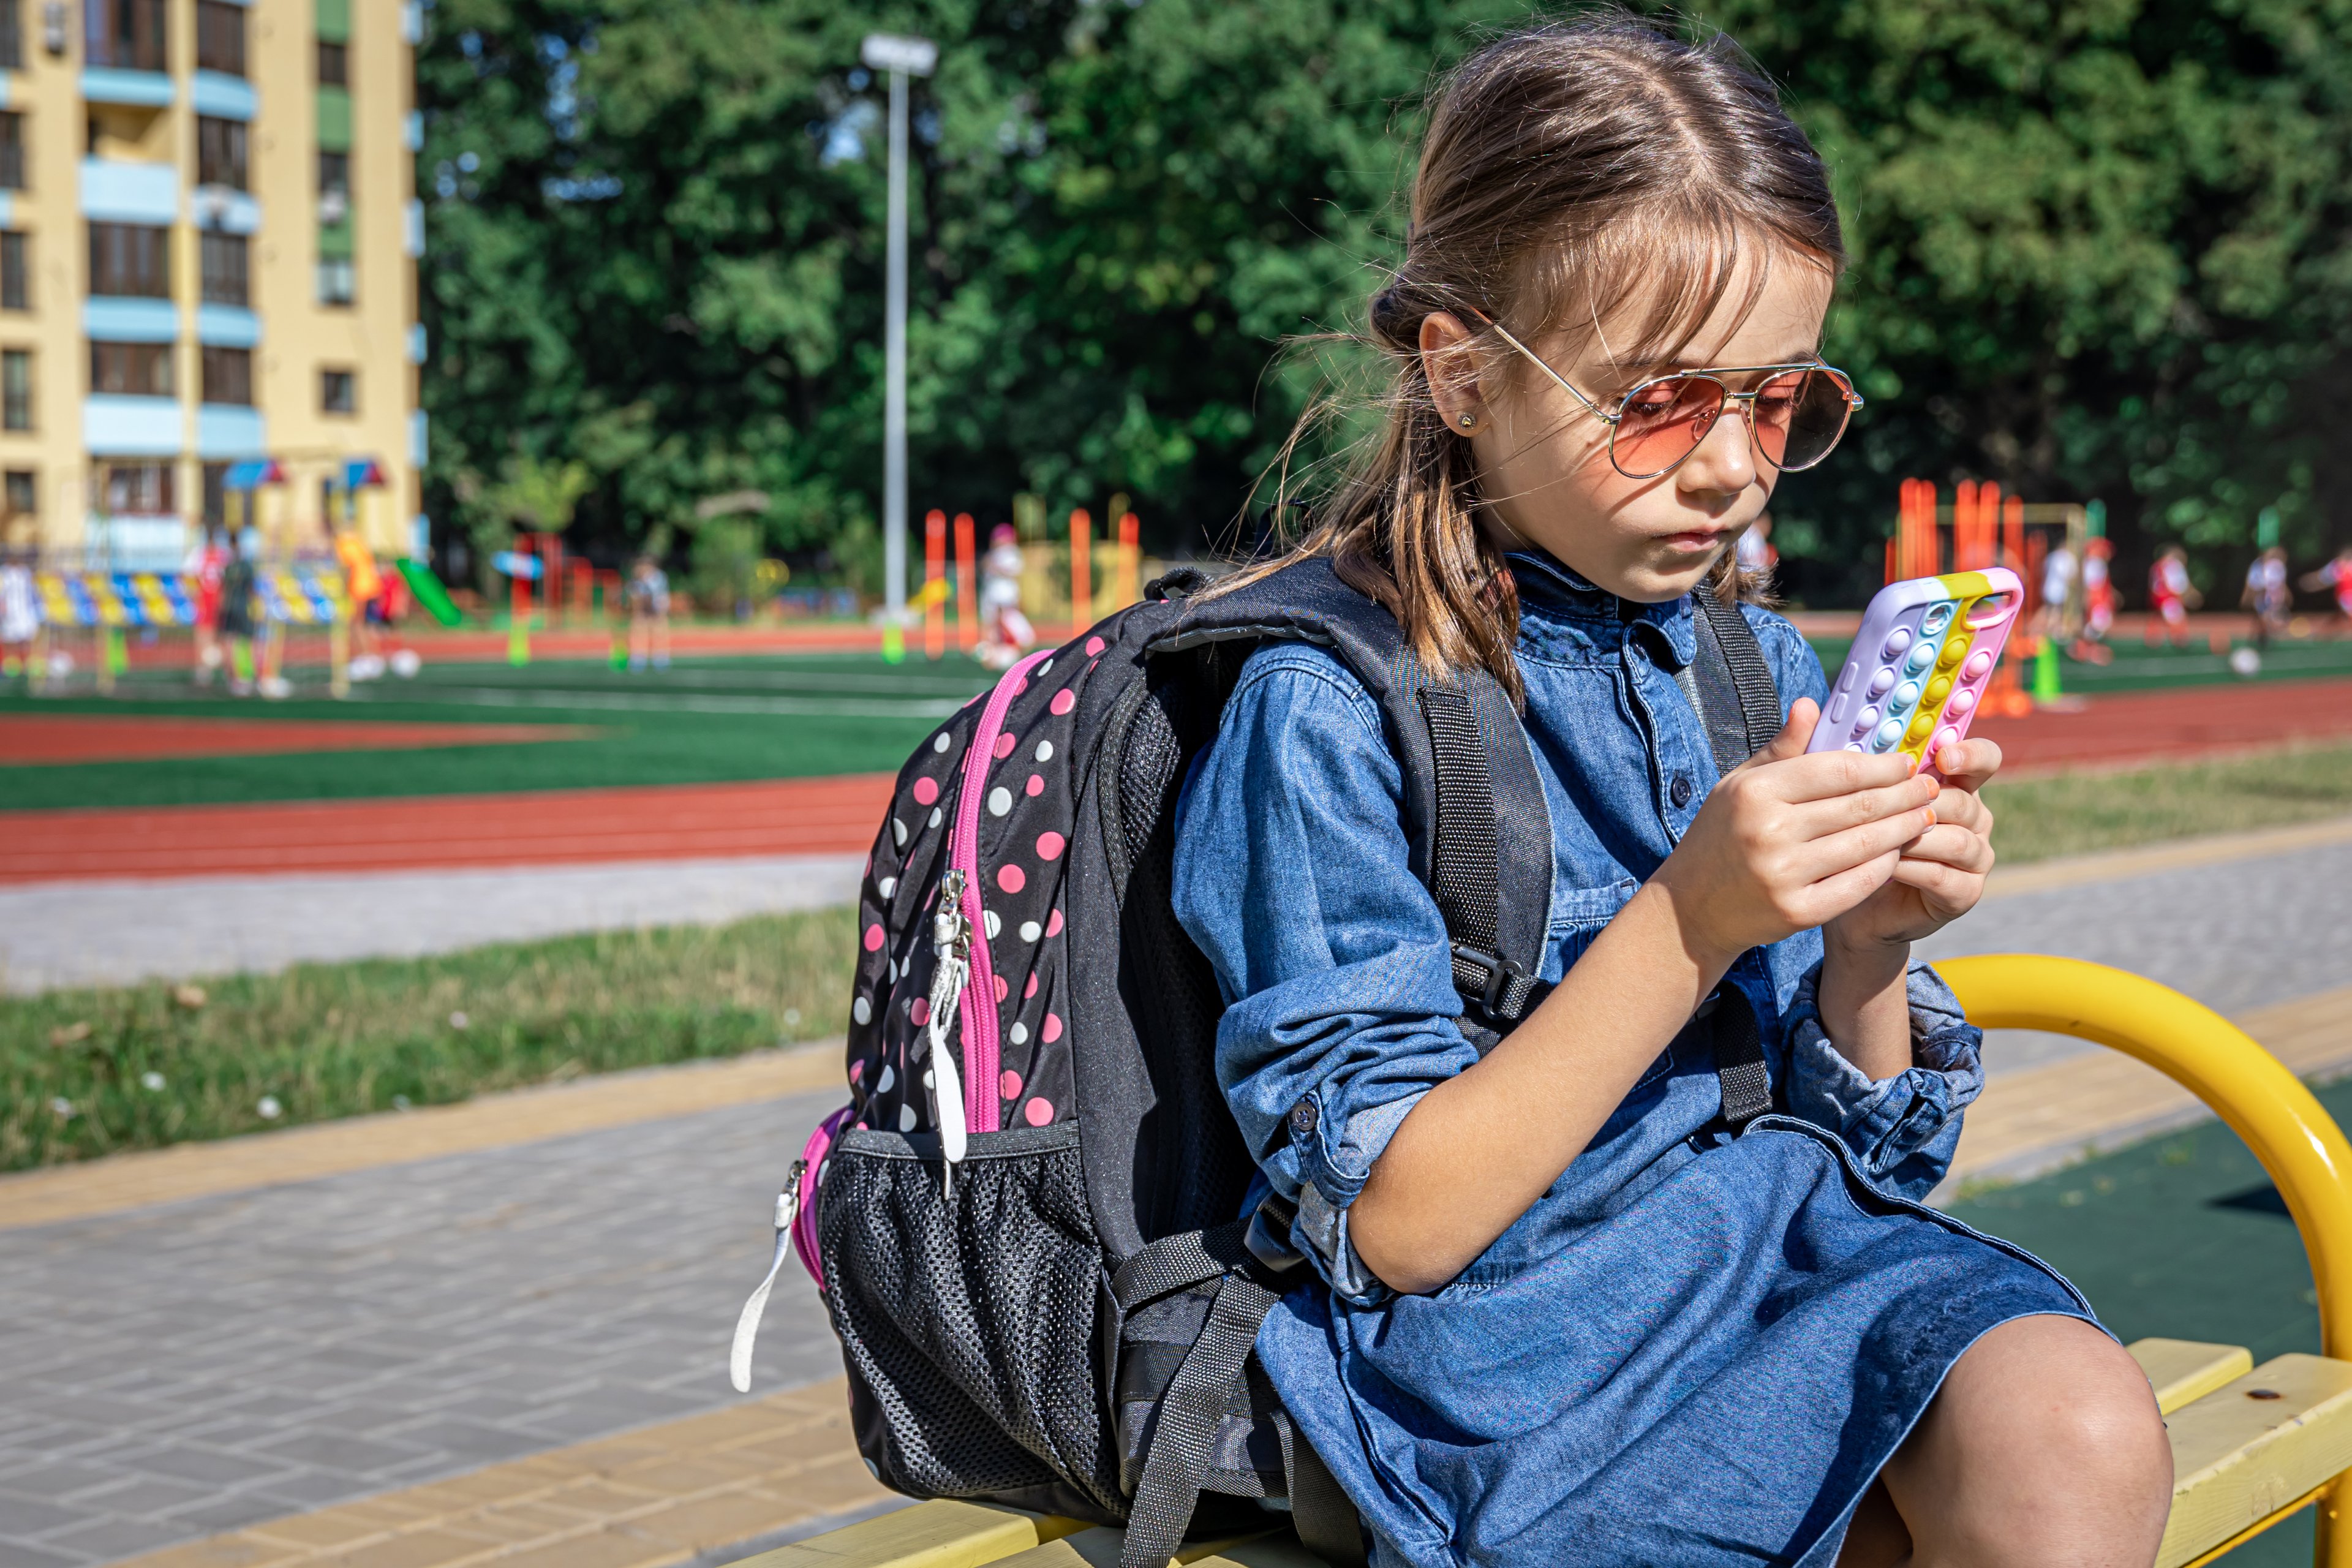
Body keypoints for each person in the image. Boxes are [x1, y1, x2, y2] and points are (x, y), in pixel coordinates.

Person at [1170, 21, 2170, 1568]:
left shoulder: (1744, 658)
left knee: (2074, 1425)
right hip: (1513, 1368)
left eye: (1775, 401)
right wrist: (1693, 915)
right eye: (1659, 401)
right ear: (1460, 372)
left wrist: (1867, 950)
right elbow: (1400, 1226)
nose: (1730, 470)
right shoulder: (1329, 704)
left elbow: (1879, 1167)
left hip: (1777, 1258)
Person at [974, 522, 1035, 671]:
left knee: (1023, 636)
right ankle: (997, 658)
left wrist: (995, 567)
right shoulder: (995, 554)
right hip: (995, 601)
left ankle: (1010, 659)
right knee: (994, 633)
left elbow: (1012, 572)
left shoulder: (1011, 553)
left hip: (1006, 602)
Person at [185, 527, 230, 686]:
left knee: (224, 635)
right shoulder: (198, 555)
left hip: (218, 601)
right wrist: (196, 598)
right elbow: (190, 578)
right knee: (203, 634)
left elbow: (227, 580)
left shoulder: (223, 555)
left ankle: (227, 669)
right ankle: (203, 670)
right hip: (204, 601)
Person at [2145, 542, 2199, 648]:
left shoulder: (2157, 565)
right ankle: (2179, 641)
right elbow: (2178, 584)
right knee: (2177, 620)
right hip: (2170, 597)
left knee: (2159, 617)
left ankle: (2153, 638)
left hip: (2158, 597)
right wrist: (2186, 596)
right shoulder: (2173, 565)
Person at [626, 553, 671, 671]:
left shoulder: (659, 577)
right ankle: (638, 657)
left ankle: (661, 657)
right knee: (638, 630)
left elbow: (654, 596)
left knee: (659, 632)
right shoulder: (637, 578)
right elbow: (634, 596)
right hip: (643, 609)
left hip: (657, 608)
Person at [2243, 545, 2291, 648]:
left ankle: (2259, 639)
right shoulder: (2257, 567)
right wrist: (2249, 596)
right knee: (2263, 620)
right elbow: (2253, 584)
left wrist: (2286, 594)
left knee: (2265, 621)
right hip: (2261, 598)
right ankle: (2259, 639)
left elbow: (2280, 583)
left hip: (2273, 598)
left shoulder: (2277, 567)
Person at [2302, 545, 2352, 631]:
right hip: (2345, 597)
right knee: (2346, 617)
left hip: (2346, 596)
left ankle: (2327, 632)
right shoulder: (2339, 566)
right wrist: (2311, 583)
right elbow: (2324, 579)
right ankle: (2326, 633)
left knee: (2342, 618)